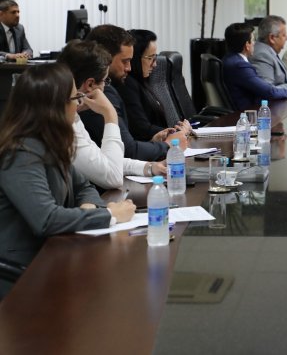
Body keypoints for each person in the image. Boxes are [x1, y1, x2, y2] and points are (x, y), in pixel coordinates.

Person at [0, 63, 135, 297]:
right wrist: (109, 214)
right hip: (24, 273)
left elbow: (83, 185)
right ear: (54, 106)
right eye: (75, 98)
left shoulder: (50, 141)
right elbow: (46, 219)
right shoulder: (20, 152)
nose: (78, 104)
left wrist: (89, 206)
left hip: (54, 254)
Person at [58, 40, 166, 190]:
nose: (105, 87)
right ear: (90, 85)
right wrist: (110, 114)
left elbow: (103, 161)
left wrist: (149, 167)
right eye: (105, 81)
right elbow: (113, 177)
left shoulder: (73, 117)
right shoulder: (63, 123)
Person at [80, 25, 185, 161]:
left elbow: (123, 149)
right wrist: (167, 145)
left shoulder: (110, 88)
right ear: (105, 58)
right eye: (125, 61)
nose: (129, 68)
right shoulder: (99, 92)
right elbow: (128, 151)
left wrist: (153, 142)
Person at [116, 29, 190, 142]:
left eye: (155, 57)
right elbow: (142, 129)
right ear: (135, 58)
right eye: (150, 58)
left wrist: (178, 129)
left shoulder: (142, 82)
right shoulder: (127, 85)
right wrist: (176, 132)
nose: (155, 64)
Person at [222, 22, 287, 110]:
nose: (254, 43)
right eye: (253, 40)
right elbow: (268, 91)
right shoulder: (240, 66)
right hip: (246, 113)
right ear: (247, 45)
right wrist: (286, 93)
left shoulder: (228, 59)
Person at [251, 15, 287, 92]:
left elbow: (283, 80)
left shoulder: (268, 51)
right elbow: (267, 89)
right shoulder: (262, 55)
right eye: (284, 35)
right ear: (272, 38)